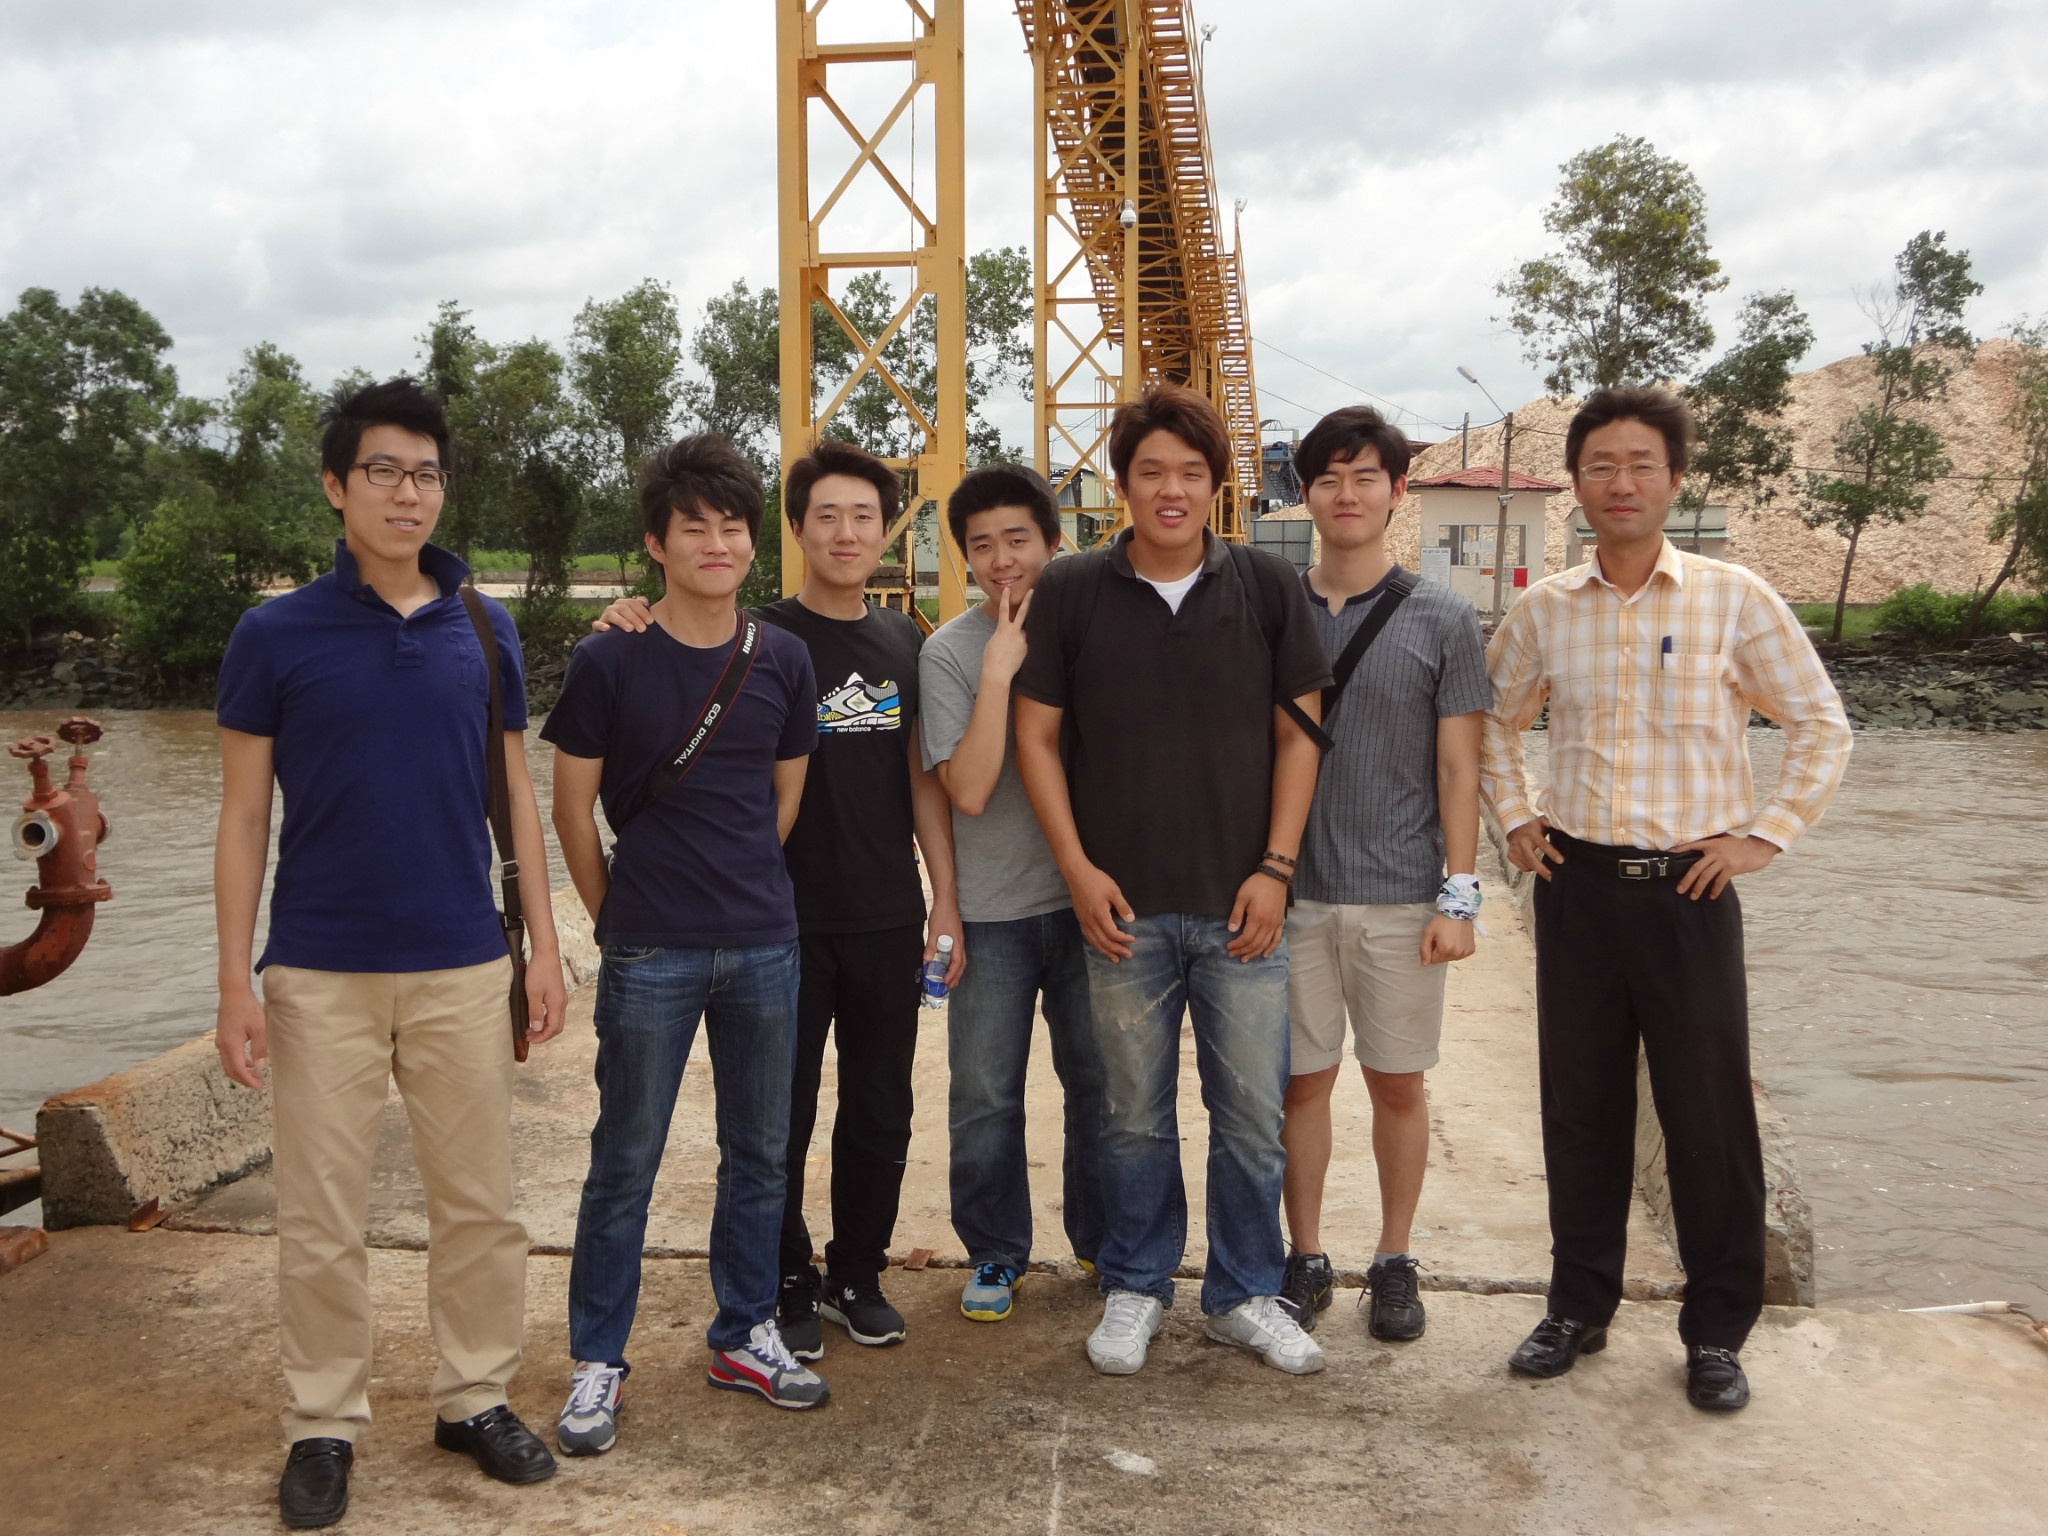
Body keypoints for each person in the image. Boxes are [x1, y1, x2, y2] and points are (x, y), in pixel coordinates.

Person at [213, 378, 569, 1530]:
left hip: (462, 959)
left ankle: (474, 1398)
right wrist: (233, 981)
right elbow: (242, 818)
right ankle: (322, 1422)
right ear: (336, 486)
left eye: (425, 474)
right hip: (319, 967)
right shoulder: (273, 634)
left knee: (481, 1204)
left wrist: (544, 947)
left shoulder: (484, 627)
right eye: (383, 471)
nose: (406, 493)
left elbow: (514, 797)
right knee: (321, 1216)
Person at [1482, 385, 1851, 1412]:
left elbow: (1820, 724)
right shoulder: (1545, 611)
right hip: (1576, 888)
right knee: (1580, 1109)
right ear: (1575, 484)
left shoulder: (1733, 598)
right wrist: (1514, 819)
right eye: (1599, 465)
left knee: (1707, 1116)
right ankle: (1577, 1307)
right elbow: (1490, 723)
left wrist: (1763, 837)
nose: (1620, 482)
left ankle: (1716, 1331)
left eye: (1640, 464)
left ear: (1674, 480)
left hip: (1688, 891)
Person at [592, 439, 963, 1358]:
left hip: (885, 914)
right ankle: (785, 1279)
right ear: (794, 529)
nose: (846, 533)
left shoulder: (904, 641)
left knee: (880, 1108)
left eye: (865, 517)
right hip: (777, 922)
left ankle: (858, 1273)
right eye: (826, 516)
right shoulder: (757, 637)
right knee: (776, 1122)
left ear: (886, 532)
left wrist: (943, 898)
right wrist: (625, 616)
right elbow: (674, 642)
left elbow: (921, 781)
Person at [1013, 383, 1333, 1378]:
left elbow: (1300, 735)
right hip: (1123, 911)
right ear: (1121, 484)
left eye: (1191, 473)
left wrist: (1275, 868)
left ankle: (1244, 1292)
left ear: (1216, 485)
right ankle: (1137, 1284)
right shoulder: (1073, 589)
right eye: (1150, 471)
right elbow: (1035, 737)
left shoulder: (1267, 587)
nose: (1170, 490)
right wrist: (1075, 869)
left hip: (1243, 906)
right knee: (1130, 1117)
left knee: (1250, 1119)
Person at [544, 436, 826, 1446]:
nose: (716, 543)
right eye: (693, 527)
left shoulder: (781, 658)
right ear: (656, 545)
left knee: (759, 1155)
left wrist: (738, 885)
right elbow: (571, 812)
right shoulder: (609, 658)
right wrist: (616, 915)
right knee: (625, 1158)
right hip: (650, 951)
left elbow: (782, 801)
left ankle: (744, 1332)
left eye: (732, 527)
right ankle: (596, 1361)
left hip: (763, 944)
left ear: (753, 543)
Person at [1273, 407, 1491, 1342]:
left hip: (1402, 898)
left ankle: (1396, 1259)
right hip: (1293, 898)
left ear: (1397, 491)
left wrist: (1459, 896)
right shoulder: (1273, 607)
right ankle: (1306, 1256)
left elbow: (1459, 768)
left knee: (1398, 1084)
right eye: (1328, 478)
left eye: (1365, 477)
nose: (1347, 494)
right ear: (1306, 494)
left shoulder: (1443, 617)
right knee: (1301, 1086)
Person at [919, 464, 1106, 1324]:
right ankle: (996, 1250)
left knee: (1099, 1083)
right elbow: (967, 788)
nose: (1002, 561)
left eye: (1018, 540)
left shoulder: (1095, 628)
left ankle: (1104, 1242)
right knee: (985, 1094)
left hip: (1088, 903)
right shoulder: (949, 653)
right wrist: (997, 670)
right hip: (992, 912)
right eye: (982, 545)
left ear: (1054, 542)